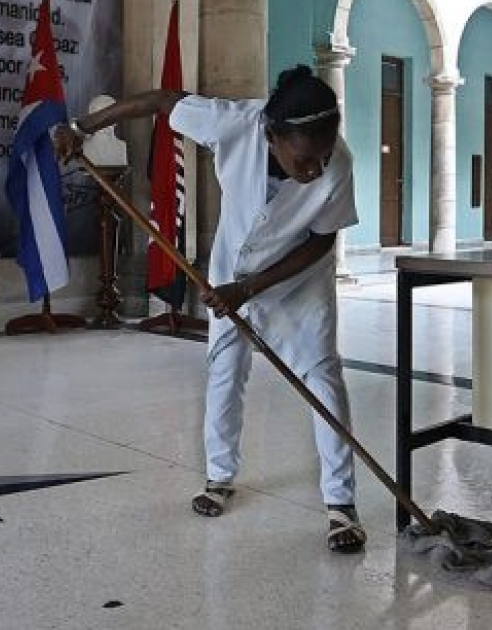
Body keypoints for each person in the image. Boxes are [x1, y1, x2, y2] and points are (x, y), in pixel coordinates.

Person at [53, 65, 367, 553]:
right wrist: (81, 128)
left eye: (324, 156)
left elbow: (322, 241)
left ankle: (341, 505)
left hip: (297, 284)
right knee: (225, 369)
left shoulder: (337, 165)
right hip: (229, 270)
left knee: (323, 379)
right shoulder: (233, 123)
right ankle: (219, 478)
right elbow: (160, 101)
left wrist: (253, 288)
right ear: (271, 136)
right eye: (305, 159)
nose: (316, 169)